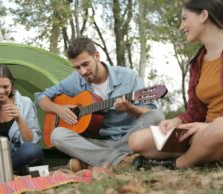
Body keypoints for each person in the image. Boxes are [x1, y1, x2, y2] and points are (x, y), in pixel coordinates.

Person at [128, 0, 223, 170]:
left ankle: (176, 164)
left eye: (185, 18)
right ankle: (204, 155)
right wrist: (177, 120)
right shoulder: (197, 63)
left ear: (204, 15)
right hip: (202, 133)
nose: (181, 26)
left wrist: (209, 127)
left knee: (222, 127)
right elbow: (196, 111)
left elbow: (220, 126)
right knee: (137, 140)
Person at [35, 37, 164, 171]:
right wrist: (58, 109)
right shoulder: (75, 79)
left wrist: (130, 109)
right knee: (57, 135)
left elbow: (150, 113)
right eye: (77, 67)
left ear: (96, 56)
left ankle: (97, 160)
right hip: (98, 142)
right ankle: (122, 160)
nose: (83, 72)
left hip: (130, 138)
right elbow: (41, 98)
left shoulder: (128, 76)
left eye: (85, 64)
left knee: (157, 117)